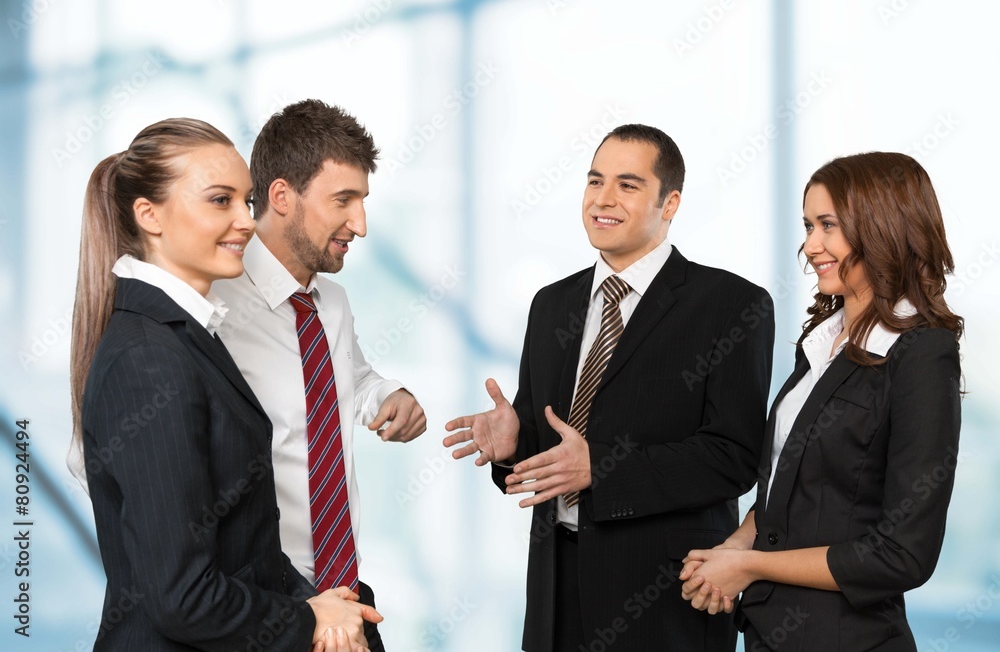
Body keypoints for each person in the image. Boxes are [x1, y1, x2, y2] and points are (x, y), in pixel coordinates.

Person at [444, 124, 775, 651]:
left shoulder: (731, 305)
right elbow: (553, 452)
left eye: (627, 185)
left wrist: (602, 468)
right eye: (595, 181)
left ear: (670, 204)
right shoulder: (552, 304)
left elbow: (732, 456)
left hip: (664, 599)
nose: (603, 199)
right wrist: (513, 447)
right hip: (556, 589)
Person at [69, 118, 380, 651]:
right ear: (149, 216)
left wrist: (318, 605)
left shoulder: (187, 336)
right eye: (220, 201)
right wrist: (307, 621)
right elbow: (180, 595)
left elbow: (240, 538)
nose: (246, 221)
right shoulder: (148, 359)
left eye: (246, 200)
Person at [678, 152, 964, 651]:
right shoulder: (821, 342)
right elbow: (790, 488)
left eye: (828, 225)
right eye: (808, 225)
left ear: (882, 225)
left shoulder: (921, 353)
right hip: (767, 635)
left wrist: (749, 566)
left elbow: (902, 555)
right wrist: (732, 548)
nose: (810, 246)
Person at [213, 99, 427, 652]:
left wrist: (388, 394)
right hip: (259, 601)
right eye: (343, 201)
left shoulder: (330, 303)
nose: (359, 224)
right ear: (282, 196)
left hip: (344, 592)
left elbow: (347, 378)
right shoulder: (214, 304)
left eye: (362, 201)